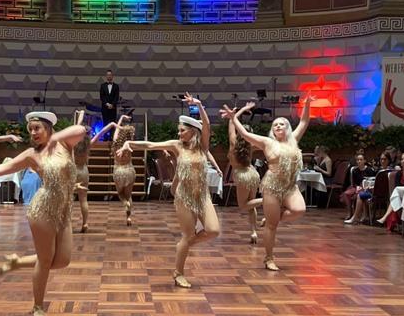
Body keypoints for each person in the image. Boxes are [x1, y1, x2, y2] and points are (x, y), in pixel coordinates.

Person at [0, 111, 87, 316]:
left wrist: (55, 139)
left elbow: (81, 130)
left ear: (48, 128)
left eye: (37, 128)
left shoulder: (65, 145)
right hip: (42, 209)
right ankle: (38, 307)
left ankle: (18, 262)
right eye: (30, 129)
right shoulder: (32, 154)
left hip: (64, 211)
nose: (33, 132)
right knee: (45, 260)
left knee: (62, 260)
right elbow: (3, 168)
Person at [125, 96, 221, 288]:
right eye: (179, 130)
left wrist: (199, 105)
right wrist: (130, 144)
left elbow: (207, 125)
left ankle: (185, 245)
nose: (179, 133)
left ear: (193, 131)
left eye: (182, 130)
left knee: (213, 230)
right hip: (184, 196)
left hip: (202, 196)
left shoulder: (203, 146)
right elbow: (151, 145)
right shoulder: (177, 146)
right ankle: (178, 273)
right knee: (187, 236)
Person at [226, 97, 312, 270]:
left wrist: (307, 103)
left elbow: (304, 121)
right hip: (272, 186)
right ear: (272, 130)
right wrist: (233, 118)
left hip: (290, 186)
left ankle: (273, 216)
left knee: (299, 210)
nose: (278, 126)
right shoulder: (267, 142)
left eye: (281, 124)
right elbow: (245, 135)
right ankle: (269, 258)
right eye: (275, 125)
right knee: (272, 226)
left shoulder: (294, 139)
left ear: (287, 127)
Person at [72, 111, 117, 234]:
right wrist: (111, 124)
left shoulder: (73, 143)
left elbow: (77, 125)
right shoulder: (89, 144)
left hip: (72, 170)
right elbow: (102, 132)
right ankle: (85, 223)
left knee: (69, 199)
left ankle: (68, 223)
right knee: (83, 199)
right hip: (83, 171)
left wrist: (81, 113)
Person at [225, 112, 262, 242]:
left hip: (243, 176)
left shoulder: (233, 143)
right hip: (253, 174)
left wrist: (234, 115)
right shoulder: (251, 145)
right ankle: (253, 232)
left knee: (243, 206)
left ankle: (268, 199)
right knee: (251, 205)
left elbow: (231, 125)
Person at [110, 117, 136, 225]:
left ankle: (125, 203)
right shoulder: (130, 143)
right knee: (128, 195)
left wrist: (121, 118)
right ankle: (128, 217)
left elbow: (116, 129)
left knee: (120, 194)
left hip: (118, 171)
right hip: (129, 170)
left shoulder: (115, 143)